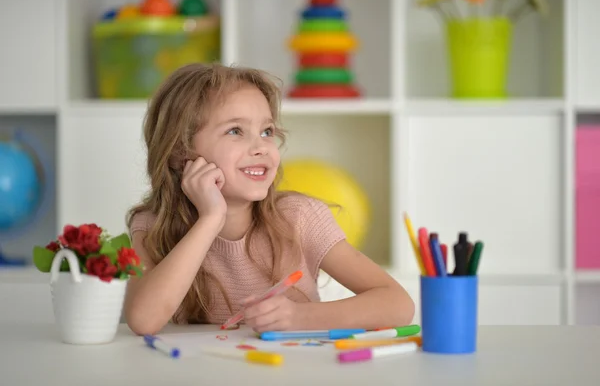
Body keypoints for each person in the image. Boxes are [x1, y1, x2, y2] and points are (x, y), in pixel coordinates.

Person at [124, 63, 415, 335]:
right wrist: (210, 219)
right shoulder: (151, 224)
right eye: (235, 131)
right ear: (180, 152)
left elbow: (398, 304)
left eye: (267, 131)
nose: (261, 147)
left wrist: (298, 318)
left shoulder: (299, 217)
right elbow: (143, 320)